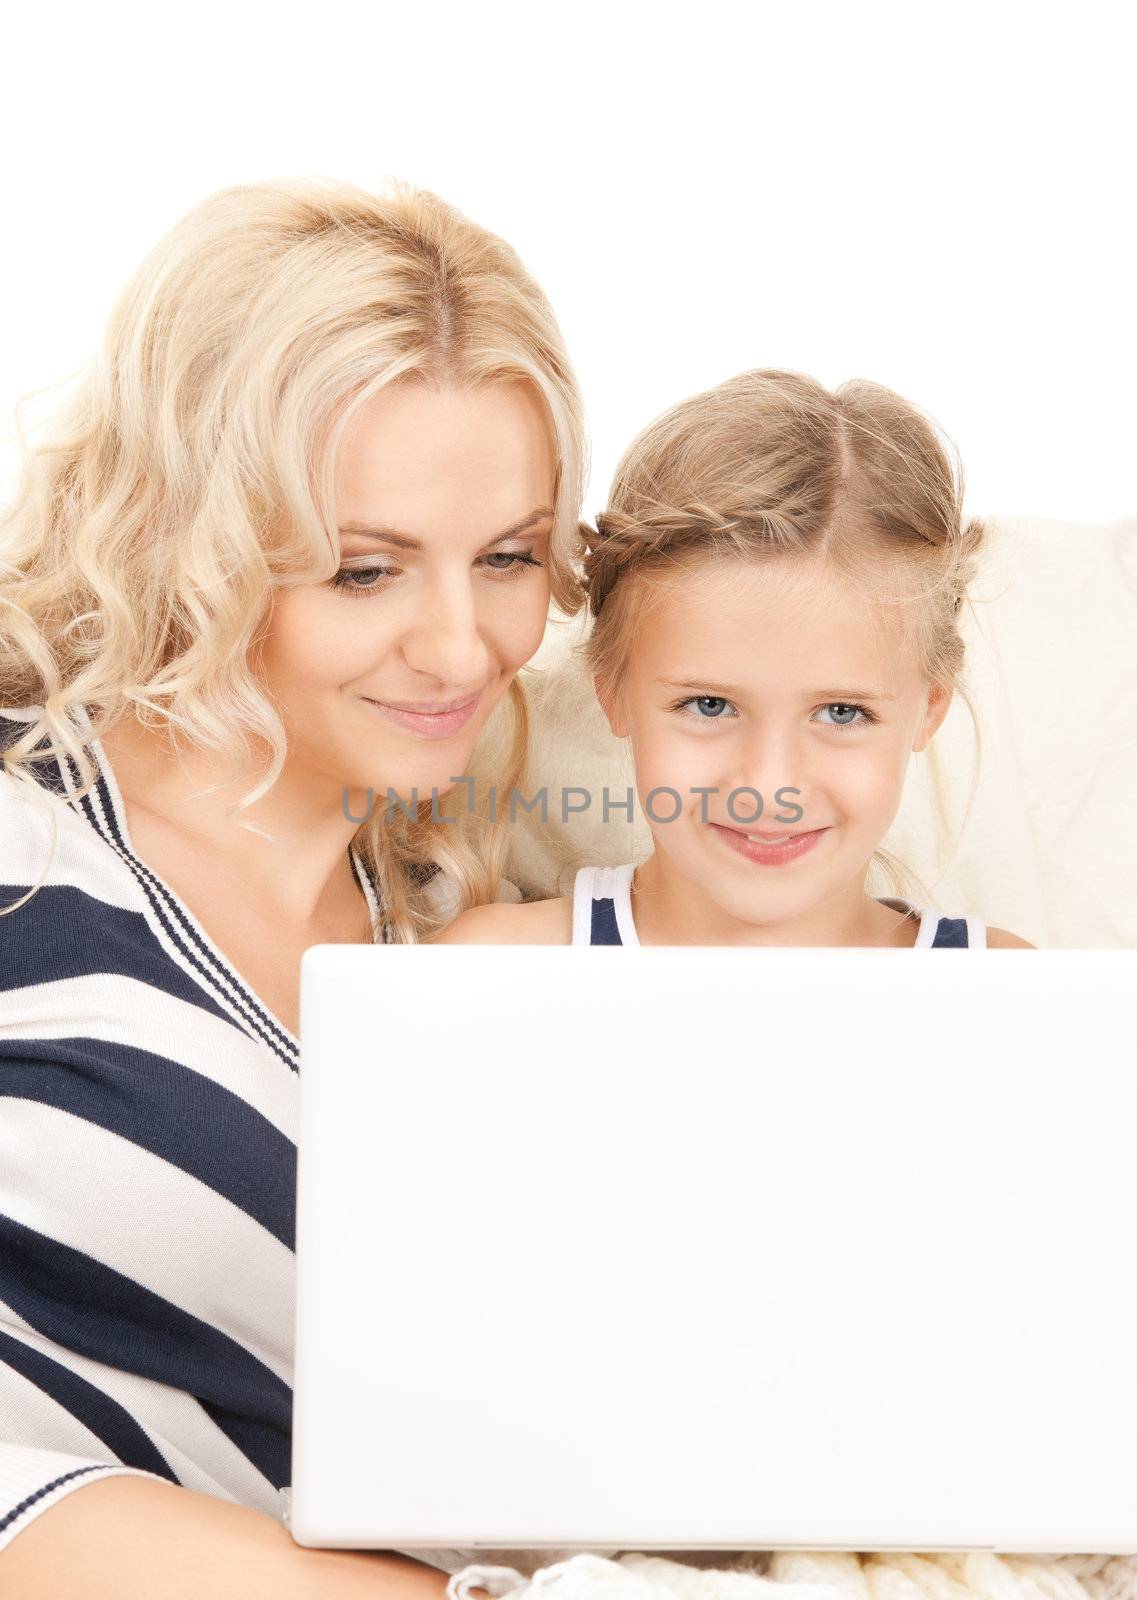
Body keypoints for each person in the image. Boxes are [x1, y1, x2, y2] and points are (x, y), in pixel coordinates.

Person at [0, 175, 589, 1597]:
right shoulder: (29, 850)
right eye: (364, 570)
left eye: (507, 558)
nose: (461, 650)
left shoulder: (465, 912)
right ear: (179, 537)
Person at [432, 369, 1036, 951]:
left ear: (930, 708)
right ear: (612, 689)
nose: (769, 787)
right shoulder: (500, 967)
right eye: (710, 705)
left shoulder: (1016, 995)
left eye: (843, 713)